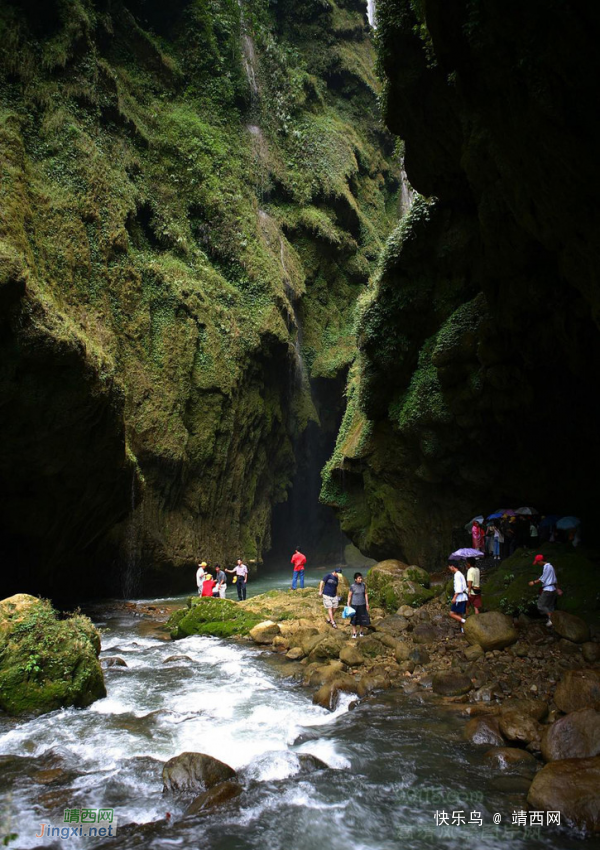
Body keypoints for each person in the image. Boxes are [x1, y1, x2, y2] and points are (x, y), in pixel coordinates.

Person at [528, 554, 557, 627]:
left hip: (548, 590)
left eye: (538, 562)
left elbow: (543, 578)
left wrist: (533, 582)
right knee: (550, 606)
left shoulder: (546, 567)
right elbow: (554, 578)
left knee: (540, 605)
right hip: (553, 589)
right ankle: (552, 621)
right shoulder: (551, 566)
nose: (538, 564)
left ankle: (551, 618)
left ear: (540, 561)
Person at [347, 572, 370, 638]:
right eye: (359, 578)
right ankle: (354, 632)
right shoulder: (352, 586)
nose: (361, 579)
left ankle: (361, 631)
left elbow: (365, 594)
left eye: (361, 578)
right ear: (355, 579)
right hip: (354, 605)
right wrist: (348, 604)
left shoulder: (363, 585)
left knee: (362, 618)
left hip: (362, 604)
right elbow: (349, 596)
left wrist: (367, 603)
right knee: (354, 619)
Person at [448, 562, 468, 630]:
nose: (450, 569)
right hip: (463, 597)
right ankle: (462, 629)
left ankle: (465, 622)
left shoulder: (457, 575)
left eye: (450, 567)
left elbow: (459, 588)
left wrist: (454, 598)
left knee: (451, 613)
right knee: (459, 614)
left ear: (452, 566)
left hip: (459, 598)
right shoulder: (460, 574)